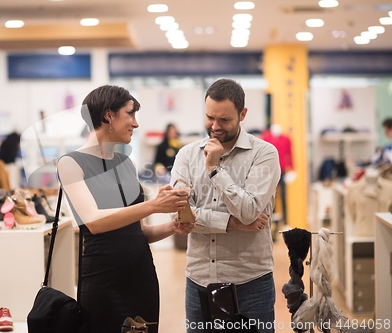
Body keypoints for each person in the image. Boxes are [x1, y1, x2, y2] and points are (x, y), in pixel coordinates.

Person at [57, 85, 196, 333]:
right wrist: (153, 205)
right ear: (109, 115)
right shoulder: (71, 163)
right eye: (130, 114)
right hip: (103, 281)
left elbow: (136, 233)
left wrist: (172, 227)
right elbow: (94, 222)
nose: (136, 123)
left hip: (141, 277)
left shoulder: (126, 164)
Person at [170, 79, 281, 333]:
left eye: (225, 120)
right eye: (210, 118)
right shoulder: (187, 155)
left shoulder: (264, 154)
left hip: (250, 284)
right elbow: (181, 215)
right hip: (199, 281)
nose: (215, 126)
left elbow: (250, 211)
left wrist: (214, 168)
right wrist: (232, 223)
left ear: (242, 114)